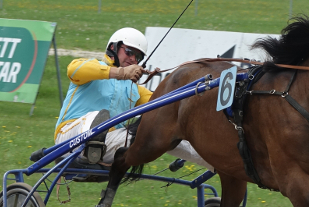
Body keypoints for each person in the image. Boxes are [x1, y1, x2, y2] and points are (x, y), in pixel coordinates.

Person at [54, 27, 212, 170]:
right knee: (96, 117)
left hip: (110, 145)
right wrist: (121, 73)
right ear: (113, 48)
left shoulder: (134, 90)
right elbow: (73, 69)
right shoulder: (92, 68)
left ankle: (216, 162)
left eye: (138, 57)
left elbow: (167, 104)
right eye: (129, 52)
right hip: (69, 140)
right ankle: (93, 142)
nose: (133, 59)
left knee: (163, 132)